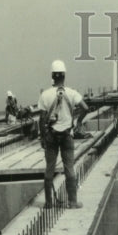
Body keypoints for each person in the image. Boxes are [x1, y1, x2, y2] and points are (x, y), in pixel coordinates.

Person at [38, 60, 88, 209]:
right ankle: (72, 202)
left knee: (49, 169)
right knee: (69, 169)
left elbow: (41, 119)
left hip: (51, 136)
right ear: (64, 76)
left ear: (52, 76)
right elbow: (85, 108)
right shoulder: (72, 93)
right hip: (67, 136)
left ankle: (48, 203)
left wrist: (42, 137)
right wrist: (78, 122)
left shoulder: (45, 95)